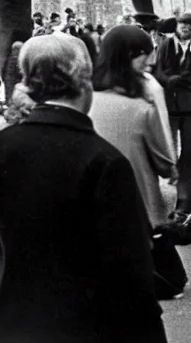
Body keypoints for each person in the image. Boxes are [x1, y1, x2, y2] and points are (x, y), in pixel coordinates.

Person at [0, 33, 167, 343]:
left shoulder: (4, 146)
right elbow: (131, 272)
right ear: (84, 80)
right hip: (84, 326)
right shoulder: (105, 162)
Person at [90, 25, 175, 229]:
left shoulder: (85, 97)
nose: (151, 61)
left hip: (94, 199)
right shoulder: (148, 96)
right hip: (139, 201)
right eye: (145, 55)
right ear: (128, 56)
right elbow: (165, 160)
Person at [154, 12, 191, 221]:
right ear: (177, 26)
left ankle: (186, 200)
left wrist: (179, 80)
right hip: (171, 106)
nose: (186, 28)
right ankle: (170, 193)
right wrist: (171, 80)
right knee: (169, 150)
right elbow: (159, 71)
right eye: (183, 24)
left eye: (190, 25)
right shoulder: (166, 45)